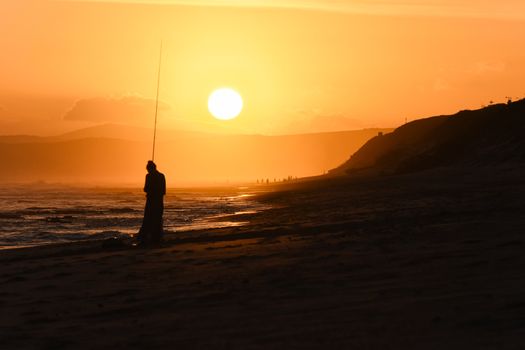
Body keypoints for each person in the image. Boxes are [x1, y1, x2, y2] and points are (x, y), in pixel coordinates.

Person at [137, 160, 166, 245]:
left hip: (150, 202)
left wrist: (151, 190)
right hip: (159, 202)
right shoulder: (161, 176)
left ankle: (146, 238)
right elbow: (163, 191)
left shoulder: (148, 176)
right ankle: (157, 238)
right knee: (157, 220)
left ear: (150, 169)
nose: (148, 171)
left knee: (148, 220)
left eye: (148, 169)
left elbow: (146, 189)